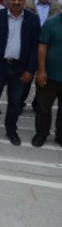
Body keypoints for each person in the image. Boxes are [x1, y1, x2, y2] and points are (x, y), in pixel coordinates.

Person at [0, 0, 40, 146]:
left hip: (20, 68)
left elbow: (35, 48)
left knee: (15, 102)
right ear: (7, 0)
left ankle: (11, 130)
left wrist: (30, 70)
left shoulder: (33, 20)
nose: (16, 2)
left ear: (24, 1)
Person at [32, 10, 62, 148]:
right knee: (43, 107)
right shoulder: (51, 23)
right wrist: (41, 70)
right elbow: (42, 48)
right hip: (50, 75)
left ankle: (60, 135)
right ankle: (41, 133)